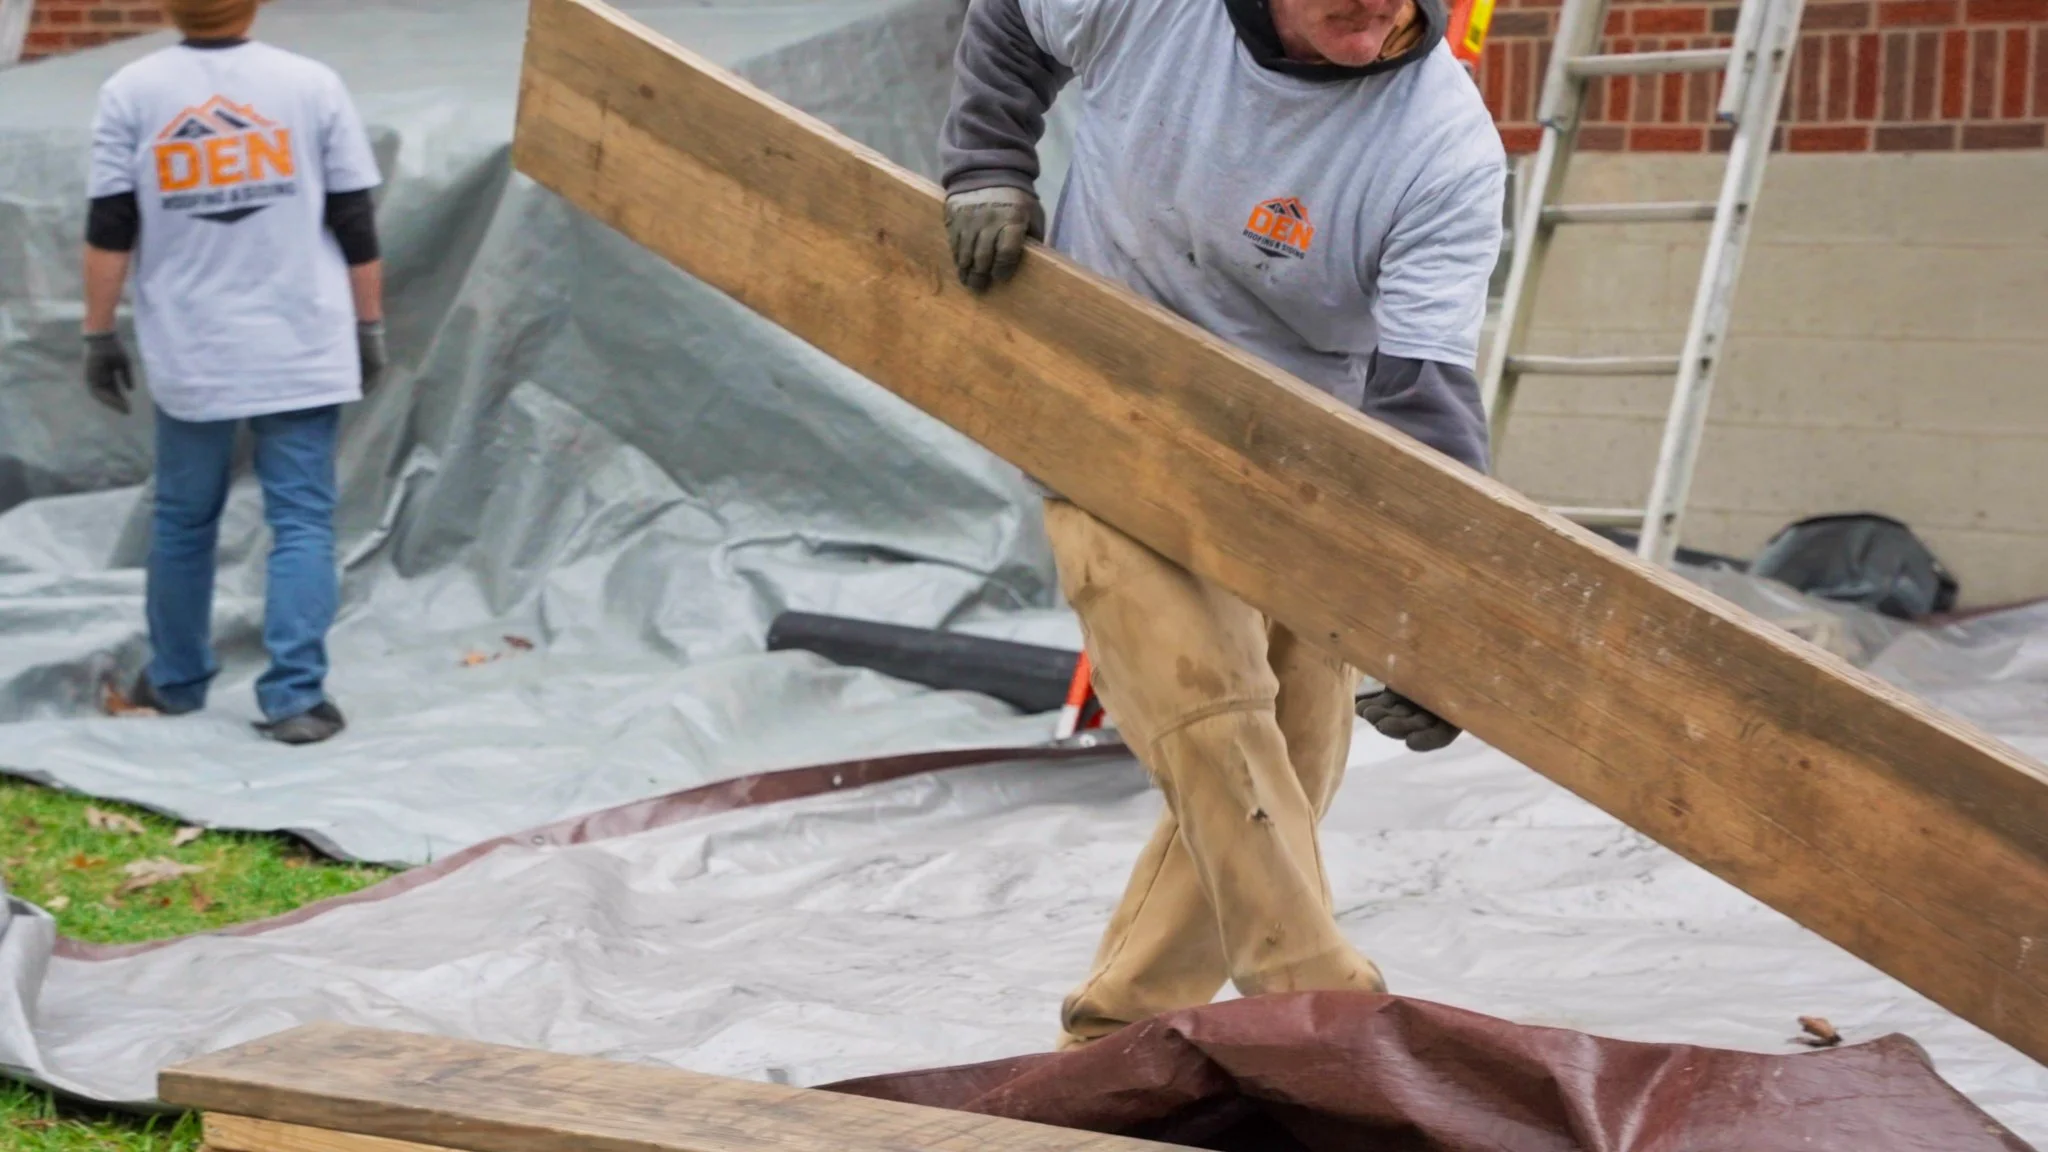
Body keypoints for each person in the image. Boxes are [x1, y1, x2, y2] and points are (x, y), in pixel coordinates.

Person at [940, 0, 1505, 1046]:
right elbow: (1011, 18)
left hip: (1296, 461)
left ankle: (1113, 1038)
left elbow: (1424, 405)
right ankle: (1326, 1006)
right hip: (1100, 398)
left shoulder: (1438, 147)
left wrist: (1429, 629)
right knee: (1206, 700)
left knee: (1289, 749)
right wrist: (986, 162)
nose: (1379, 5)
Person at [81, 0, 386, 746]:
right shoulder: (310, 84)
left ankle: (177, 680)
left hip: (195, 344)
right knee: (303, 520)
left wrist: (97, 332)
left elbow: (109, 225)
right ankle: (296, 700)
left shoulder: (131, 89)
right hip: (301, 339)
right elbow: (354, 219)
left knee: (184, 521)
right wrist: (368, 323)